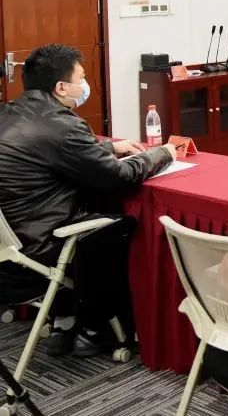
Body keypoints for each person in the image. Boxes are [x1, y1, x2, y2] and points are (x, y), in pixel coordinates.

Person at [0, 44, 175, 355]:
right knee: (114, 225)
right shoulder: (61, 123)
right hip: (35, 254)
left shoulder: (9, 112)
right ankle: (94, 328)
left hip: (9, 248)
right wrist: (163, 153)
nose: (85, 85)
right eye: (81, 78)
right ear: (61, 87)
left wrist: (109, 147)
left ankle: (65, 320)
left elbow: (52, 150)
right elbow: (121, 176)